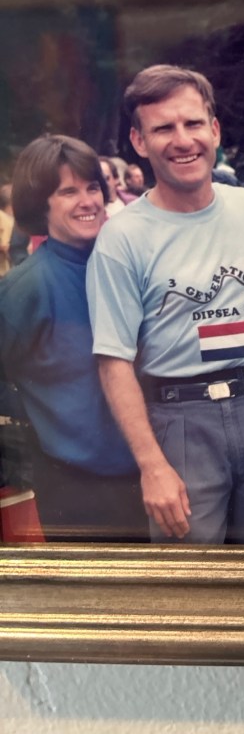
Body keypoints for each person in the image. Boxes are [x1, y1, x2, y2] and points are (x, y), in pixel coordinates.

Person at [86, 65, 244, 545]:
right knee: (190, 577)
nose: (183, 140)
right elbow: (113, 361)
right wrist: (152, 465)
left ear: (215, 130)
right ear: (139, 141)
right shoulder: (122, 239)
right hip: (182, 422)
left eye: (193, 123)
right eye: (164, 128)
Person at [0, 135, 146, 541]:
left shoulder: (126, 265)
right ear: (40, 204)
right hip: (78, 485)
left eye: (92, 187)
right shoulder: (26, 288)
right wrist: (39, 408)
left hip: (152, 471)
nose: (87, 202)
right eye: (68, 192)